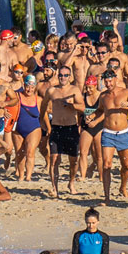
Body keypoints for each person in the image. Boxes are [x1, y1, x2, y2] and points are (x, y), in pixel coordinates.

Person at [96, 70, 128, 204]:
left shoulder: (125, 92)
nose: (108, 84)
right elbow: (100, 110)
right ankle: (107, 197)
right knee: (106, 165)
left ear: (116, 79)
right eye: (106, 81)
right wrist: (93, 116)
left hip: (123, 133)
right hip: (108, 133)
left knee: (126, 166)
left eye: (110, 81)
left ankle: (123, 187)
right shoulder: (103, 96)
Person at [41, 64, 85, 197]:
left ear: (70, 77)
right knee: (54, 159)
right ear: (57, 76)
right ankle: (55, 187)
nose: (63, 78)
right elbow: (42, 107)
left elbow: (83, 108)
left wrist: (72, 104)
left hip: (71, 128)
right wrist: (44, 124)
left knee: (73, 160)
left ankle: (71, 182)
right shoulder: (51, 91)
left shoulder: (74, 90)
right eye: (61, 75)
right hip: (57, 128)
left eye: (66, 75)